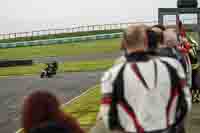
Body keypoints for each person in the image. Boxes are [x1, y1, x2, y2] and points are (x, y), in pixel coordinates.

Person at [94, 24, 191, 133]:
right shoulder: (173, 66)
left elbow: (108, 116)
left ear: (124, 44)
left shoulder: (111, 75)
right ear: (146, 42)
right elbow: (185, 104)